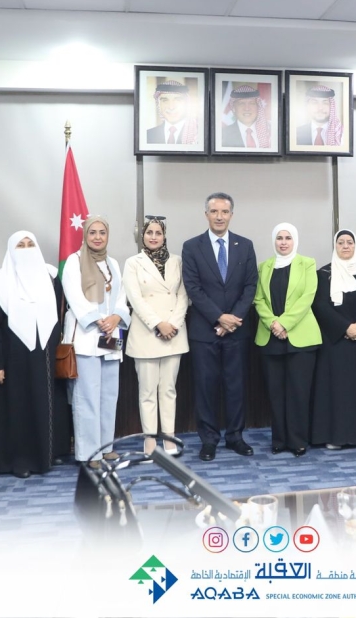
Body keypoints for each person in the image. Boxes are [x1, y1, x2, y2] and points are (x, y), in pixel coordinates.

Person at [181, 192, 259, 462]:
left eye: (224, 212)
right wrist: (219, 318)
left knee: (236, 386)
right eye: (214, 211)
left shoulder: (245, 245)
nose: (219, 216)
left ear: (231, 215)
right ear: (206, 215)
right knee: (205, 388)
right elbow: (193, 288)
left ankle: (235, 437)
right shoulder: (192, 247)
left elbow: (250, 286)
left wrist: (232, 318)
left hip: (237, 330)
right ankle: (209, 440)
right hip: (205, 331)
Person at [0, 231, 68, 478]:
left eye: (31, 244)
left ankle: (49, 453)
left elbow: (60, 313)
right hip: (14, 357)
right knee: (19, 406)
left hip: (47, 352)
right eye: (20, 246)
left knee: (49, 402)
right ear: (11, 250)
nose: (27, 249)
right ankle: (20, 460)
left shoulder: (50, 276)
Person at [62, 216, 131, 467]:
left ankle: (106, 447)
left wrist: (115, 318)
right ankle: (90, 453)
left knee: (109, 395)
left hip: (111, 335)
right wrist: (99, 320)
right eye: (93, 232)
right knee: (87, 396)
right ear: (85, 235)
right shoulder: (74, 261)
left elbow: (122, 296)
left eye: (102, 232)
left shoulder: (113, 263)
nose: (98, 237)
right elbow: (73, 295)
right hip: (87, 336)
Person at [312, 230, 356, 450]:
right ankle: (337, 437)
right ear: (335, 246)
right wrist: (345, 327)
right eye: (341, 242)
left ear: (355, 246)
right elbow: (320, 305)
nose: (345, 246)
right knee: (337, 390)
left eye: (350, 242)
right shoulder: (324, 274)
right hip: (335, 342)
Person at [122, 216, 189, 456]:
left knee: (169, 390)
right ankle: (149, 441)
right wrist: (158, 324)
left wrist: (173, 324)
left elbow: (183, 296)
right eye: (149, 232)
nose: (153, 237)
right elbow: (135, 299)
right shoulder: (133, 263)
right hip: (146, 334)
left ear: (164, 236)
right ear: (142, 236)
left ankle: (169, 438)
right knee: (147, 393)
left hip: (174, 334)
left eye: (158, 233)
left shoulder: (177, 261)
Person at [254, 223, 321, 457]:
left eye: (288, 238)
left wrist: (284, 324)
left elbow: (307, 297)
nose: (283, 242)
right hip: (270, 337)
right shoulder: (264, 267)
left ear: (295, 240)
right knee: (275, 393)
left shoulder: (307, 263)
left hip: (301, 337)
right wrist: (273, 323)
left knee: (298, 392)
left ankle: (297, 440)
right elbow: (258, 299)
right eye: (279, 238)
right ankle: (279, 440)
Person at [146, 79, 198, 145]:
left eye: (178, 100)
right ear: (159, 104)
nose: (171, 107)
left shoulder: (198, 135)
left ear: (186, 103)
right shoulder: (148, 135)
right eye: (165, 100)